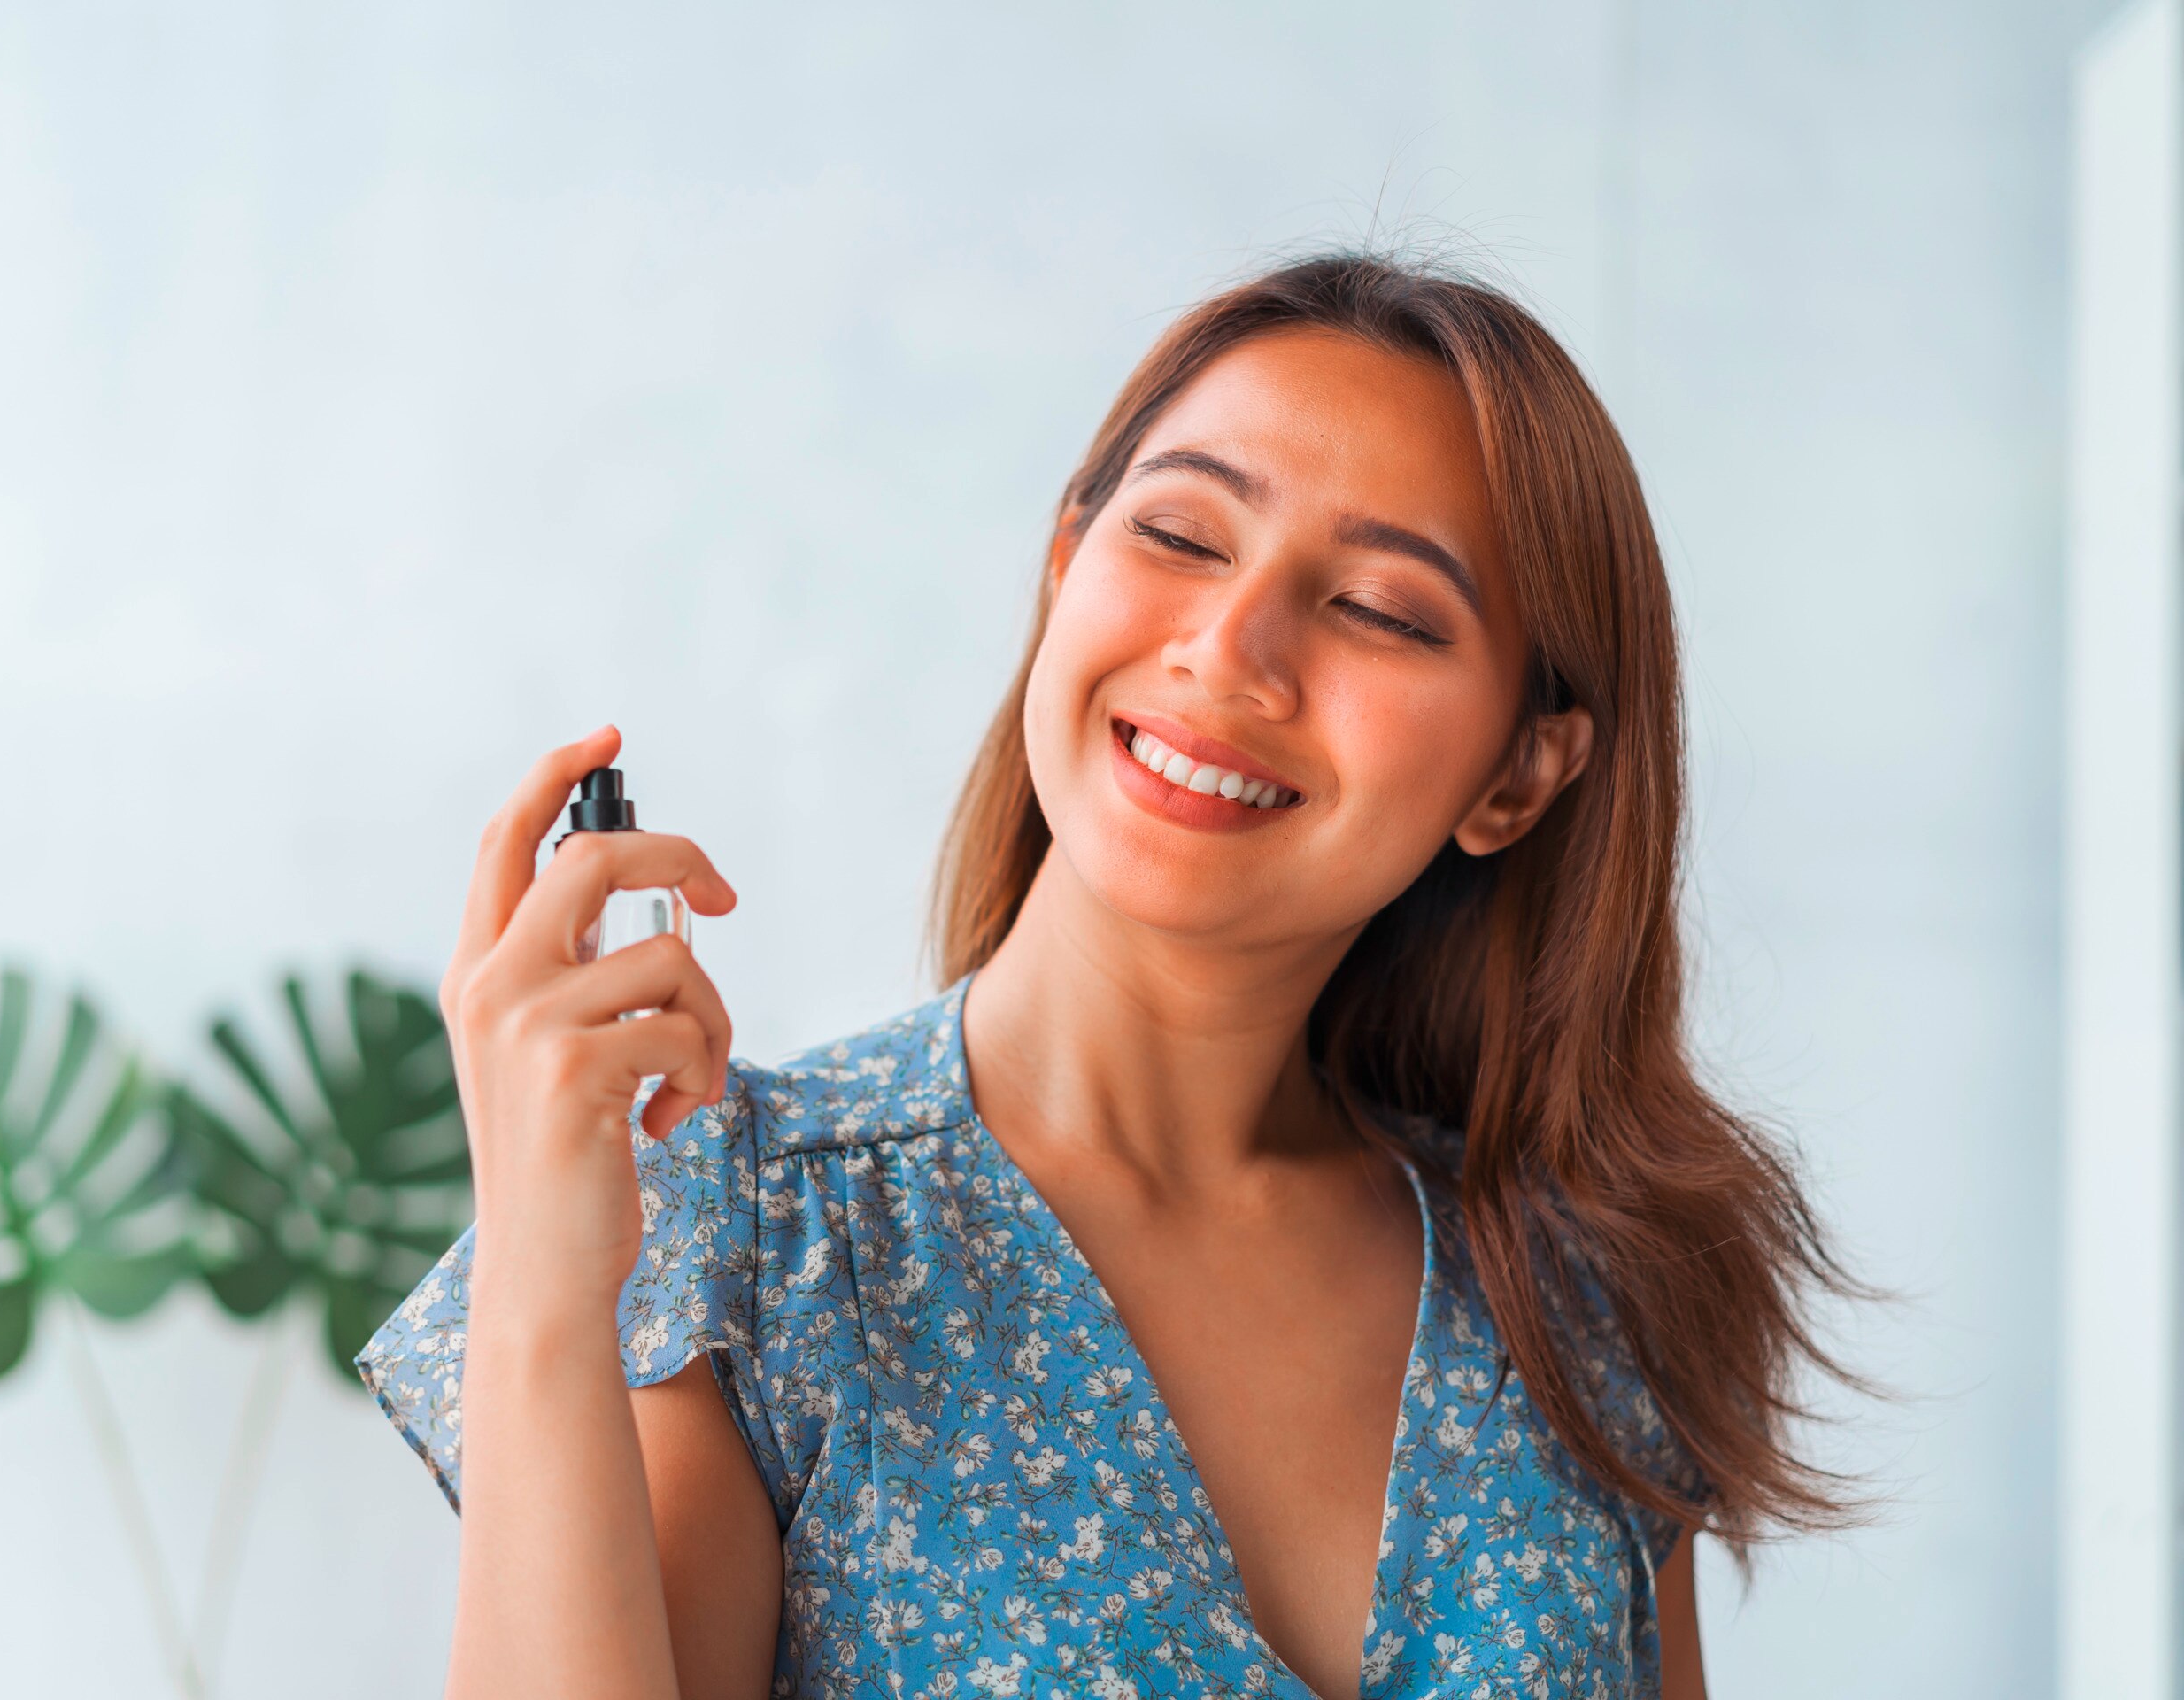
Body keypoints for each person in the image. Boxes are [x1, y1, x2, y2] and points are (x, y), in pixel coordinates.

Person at [359, 253, 1853, 1699]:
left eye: (1384, 612)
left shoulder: (1578, 1299)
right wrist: (549, 1291)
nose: (1232, 650)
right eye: (1184, 538)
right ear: (1064, 570)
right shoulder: (739, 1234)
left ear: (1521, 774)